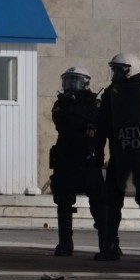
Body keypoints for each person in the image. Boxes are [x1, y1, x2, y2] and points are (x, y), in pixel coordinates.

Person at [94, 53, 140, 263]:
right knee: (113, 201)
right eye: (114, 69)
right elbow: (103, 127)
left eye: (119, 70)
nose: (115, 74)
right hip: (121, 153)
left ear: (130, 70)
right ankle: (110, 245)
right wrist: (98, 153)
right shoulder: (111, 94)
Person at [49, 66, 105, 257]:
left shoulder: (95, 104)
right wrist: (86, 124)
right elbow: (61, 121)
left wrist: (90, 124)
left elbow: (100, 122)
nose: (71, 85)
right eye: (69, 81)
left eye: (76, 81)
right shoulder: (61, 104)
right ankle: (65, 244)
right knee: (63, 202)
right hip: (66, 156)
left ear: (86, 83)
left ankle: (107, 243)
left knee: (98, 202)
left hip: (87, 157)